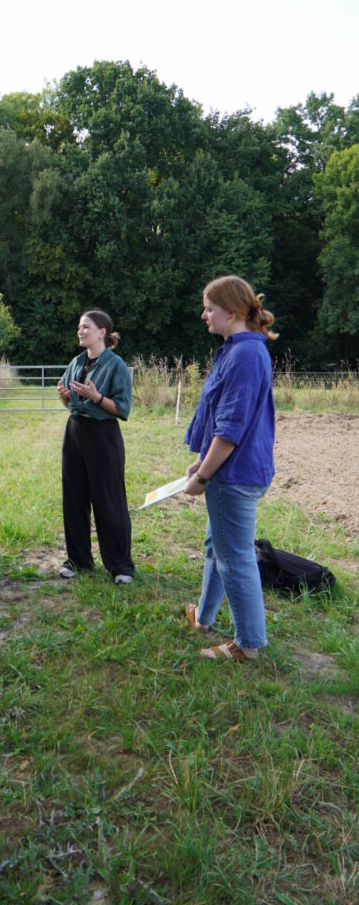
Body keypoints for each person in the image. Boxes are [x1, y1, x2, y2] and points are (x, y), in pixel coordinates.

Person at [183, 275, 277, 661]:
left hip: (232, 475)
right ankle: (204, 618)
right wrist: (202, 460)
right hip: (231, 470)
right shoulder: (238, 350)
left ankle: (248, 644)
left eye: (209, 308)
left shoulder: (244, 355)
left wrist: (204, 476)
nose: (204, 315)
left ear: (233, 311)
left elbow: (231, 429)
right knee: (216, 546)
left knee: (234, 557)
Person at [57, 309, 135, 585]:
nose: (80, 331)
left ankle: (120, 565)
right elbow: (71, 403)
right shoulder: (76, 362)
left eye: (86, 327)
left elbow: (122, 409)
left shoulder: (116, 365)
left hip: (103, 435)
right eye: (79, 327)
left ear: (102, 332)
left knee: (109, 500)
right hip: (75, 432)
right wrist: (66, 397)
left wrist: (97, 397)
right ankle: (78, 560)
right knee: (74, 498)